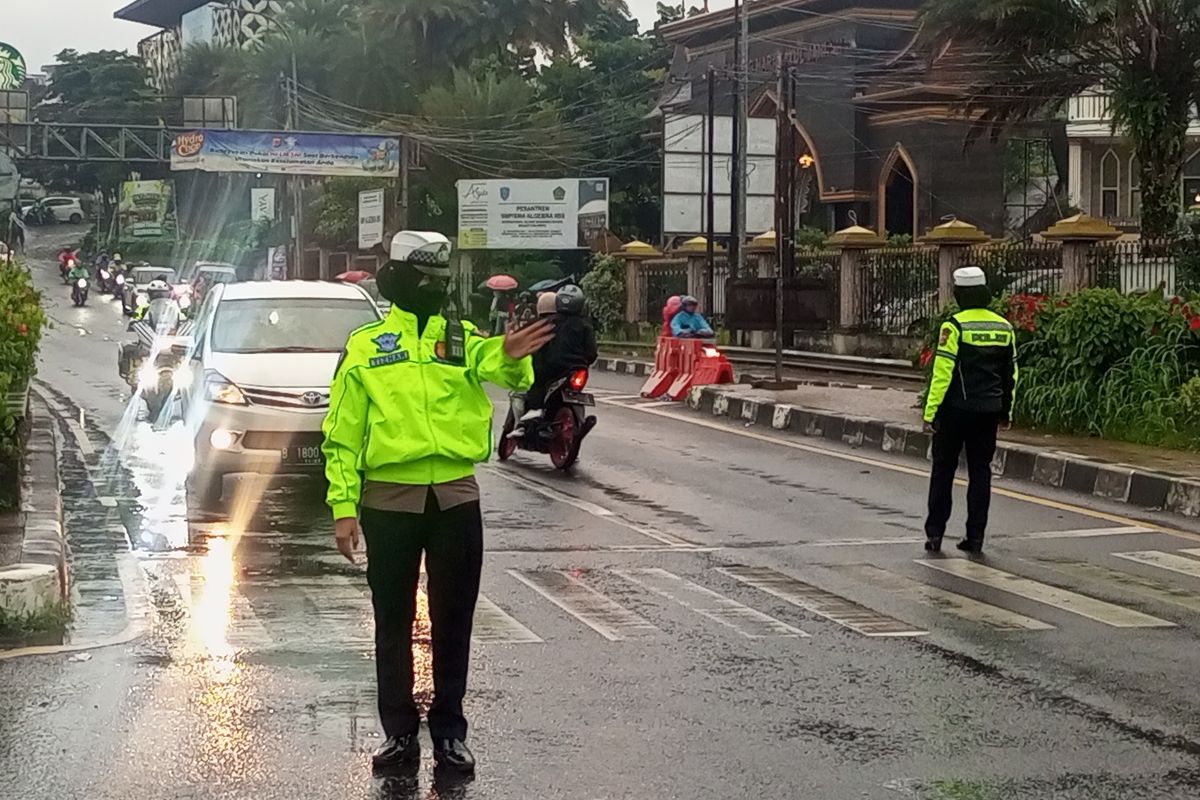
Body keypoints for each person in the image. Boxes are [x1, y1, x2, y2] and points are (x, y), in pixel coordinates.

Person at [322, 230, 554, 777]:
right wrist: (344, 507)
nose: (435, 288)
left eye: (440, 280)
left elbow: (502, 366)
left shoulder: (462, 339)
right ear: (400, 279)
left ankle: (450, 733)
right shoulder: (367, 346)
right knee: (393, 622)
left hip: (455, 498)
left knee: (454, 621)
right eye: (425, 279)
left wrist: (512, 354)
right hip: (388, 502)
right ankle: (399, 733)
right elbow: (342, 435)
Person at [922, 266, 1018, 555]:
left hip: (955, 411)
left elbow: (942, 373)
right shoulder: (1004, 327)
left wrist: (930, 412)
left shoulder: (954, 326)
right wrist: (1006, 411)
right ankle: (975, 538)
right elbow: (1011, 375)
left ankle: (935, 534)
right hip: (988, 411)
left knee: (943, 470)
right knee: (980, 472)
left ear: (959, 294)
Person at [510, 287, 597, 436]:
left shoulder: (548, 324)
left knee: (533, 386)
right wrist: (583, 363)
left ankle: (527, 423)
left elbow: (536, 347)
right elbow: (592, 353)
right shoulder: (585, 326)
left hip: (550, 370)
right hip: (577, 370)